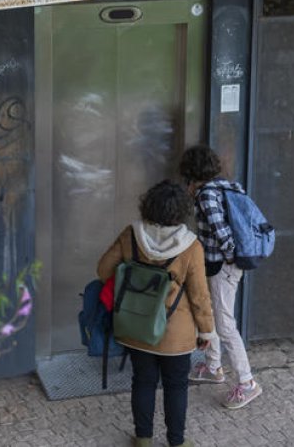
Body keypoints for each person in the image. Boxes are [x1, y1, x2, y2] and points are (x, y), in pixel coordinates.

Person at [97, 180, 219, 447]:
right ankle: (176, 442)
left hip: (136, 325)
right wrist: (207, 331)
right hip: (175, 334)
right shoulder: (191, 246)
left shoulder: (131, 235)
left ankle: (143, 439)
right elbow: (200, 296)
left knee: (142, 380)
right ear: (182, 211)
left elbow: (104, 270)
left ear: (148, 204)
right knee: (176, 386)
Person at [179, 145, 262, 410]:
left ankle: (248, 382)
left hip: (223, 266)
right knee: (212, 314)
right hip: (217, 264)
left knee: (225, 323)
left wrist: (229, 258)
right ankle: (213, 366)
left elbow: (221, 230)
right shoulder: (229, 186)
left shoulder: (206, 194)